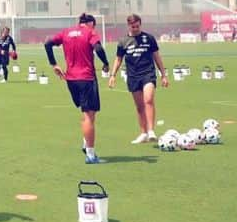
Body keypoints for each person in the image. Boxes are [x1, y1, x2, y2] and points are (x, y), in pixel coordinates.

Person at [45, 13, 111, 164]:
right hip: (86, 78)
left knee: (89, 112)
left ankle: (85, 143)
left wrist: (54, 64)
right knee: (88, 115)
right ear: (90, 24)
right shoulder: (89, 32)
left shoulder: (66, 32)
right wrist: (106, 63)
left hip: (71, 79)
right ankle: (90, 155)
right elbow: (99, 48)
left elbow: (47, 43)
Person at [109, 14, 169, 144]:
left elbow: (157, 57)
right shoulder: (123, 41)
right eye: (133, 26)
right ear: (128, 26)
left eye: (137, 26)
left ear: (140, 25)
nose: (135, 28)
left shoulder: (149, 38)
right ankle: (143, 133)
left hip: (148, 73)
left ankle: (151, 130)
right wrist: (113, 75)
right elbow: (118, 59)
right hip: (133, 76)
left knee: (148, 100)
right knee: (139, 106)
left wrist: (163, 75)